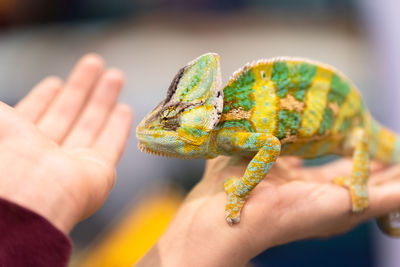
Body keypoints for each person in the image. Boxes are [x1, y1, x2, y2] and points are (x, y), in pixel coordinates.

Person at [1, 54, 400, 267]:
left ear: (200, 123)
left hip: (348, 122)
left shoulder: (224, 131)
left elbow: (271, 147)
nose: (163, 136)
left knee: (359, 140)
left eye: (173, 127)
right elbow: (268, 145)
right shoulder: (223, 133)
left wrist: (243, 188)